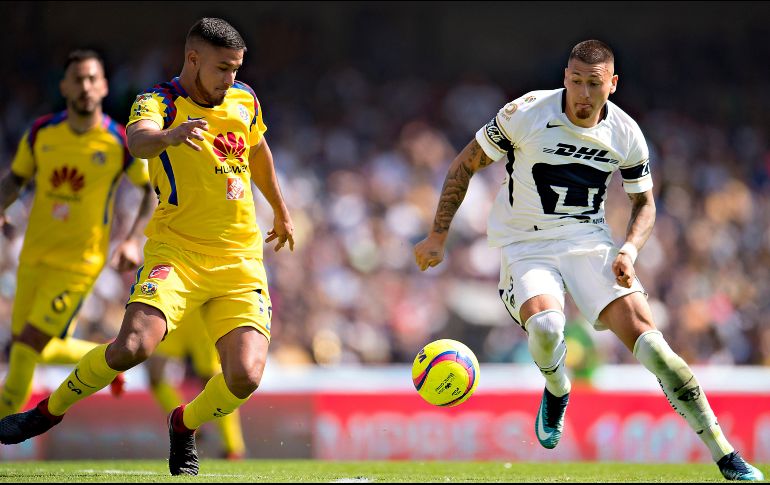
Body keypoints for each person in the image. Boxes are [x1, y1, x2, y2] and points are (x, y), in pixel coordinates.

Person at [413, 40, 763, 481]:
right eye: (575, 81)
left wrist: (630, 249)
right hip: (526, 244)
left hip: (588, 242)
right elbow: (464, 165)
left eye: (593, 84)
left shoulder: (626, 134)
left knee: (658, 351)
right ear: (564, 77)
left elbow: (645, 204)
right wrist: (438, 235)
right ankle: (557, 388)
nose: (582, 94)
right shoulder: (526, 112)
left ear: (611, 85)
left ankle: (726, 455)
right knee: (546, 326)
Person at [0, 17, 294, 477]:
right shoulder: (157, 101)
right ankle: (45, 413)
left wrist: (280, 208)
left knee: (246, 377)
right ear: (193, 59)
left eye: (236, 68)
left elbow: (257, 150)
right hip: (176, 254)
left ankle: (184, 424)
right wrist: (168, 136)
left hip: (240, 262)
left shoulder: (244, 99)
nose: (230, 79)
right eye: (222, 68)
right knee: (132, 346)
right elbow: (137, 142)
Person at [0, 49, 155, 419]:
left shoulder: (119, 142)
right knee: (30, 344)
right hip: (34, 257)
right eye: (78, 79)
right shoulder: (42, 132)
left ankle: (6, 420)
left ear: (103, 87)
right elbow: (16, 178)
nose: (85, 86)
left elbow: (150, 190)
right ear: (65, 86)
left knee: (26, 345)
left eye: (92, 79)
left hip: (79, 264)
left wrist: (132, 239)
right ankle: (105, 356)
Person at [147, 310, 246, 460]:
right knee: (155, 376)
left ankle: (232, 447)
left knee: (212, 380)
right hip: (176, 313)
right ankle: (186, 424)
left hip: (201, 316)